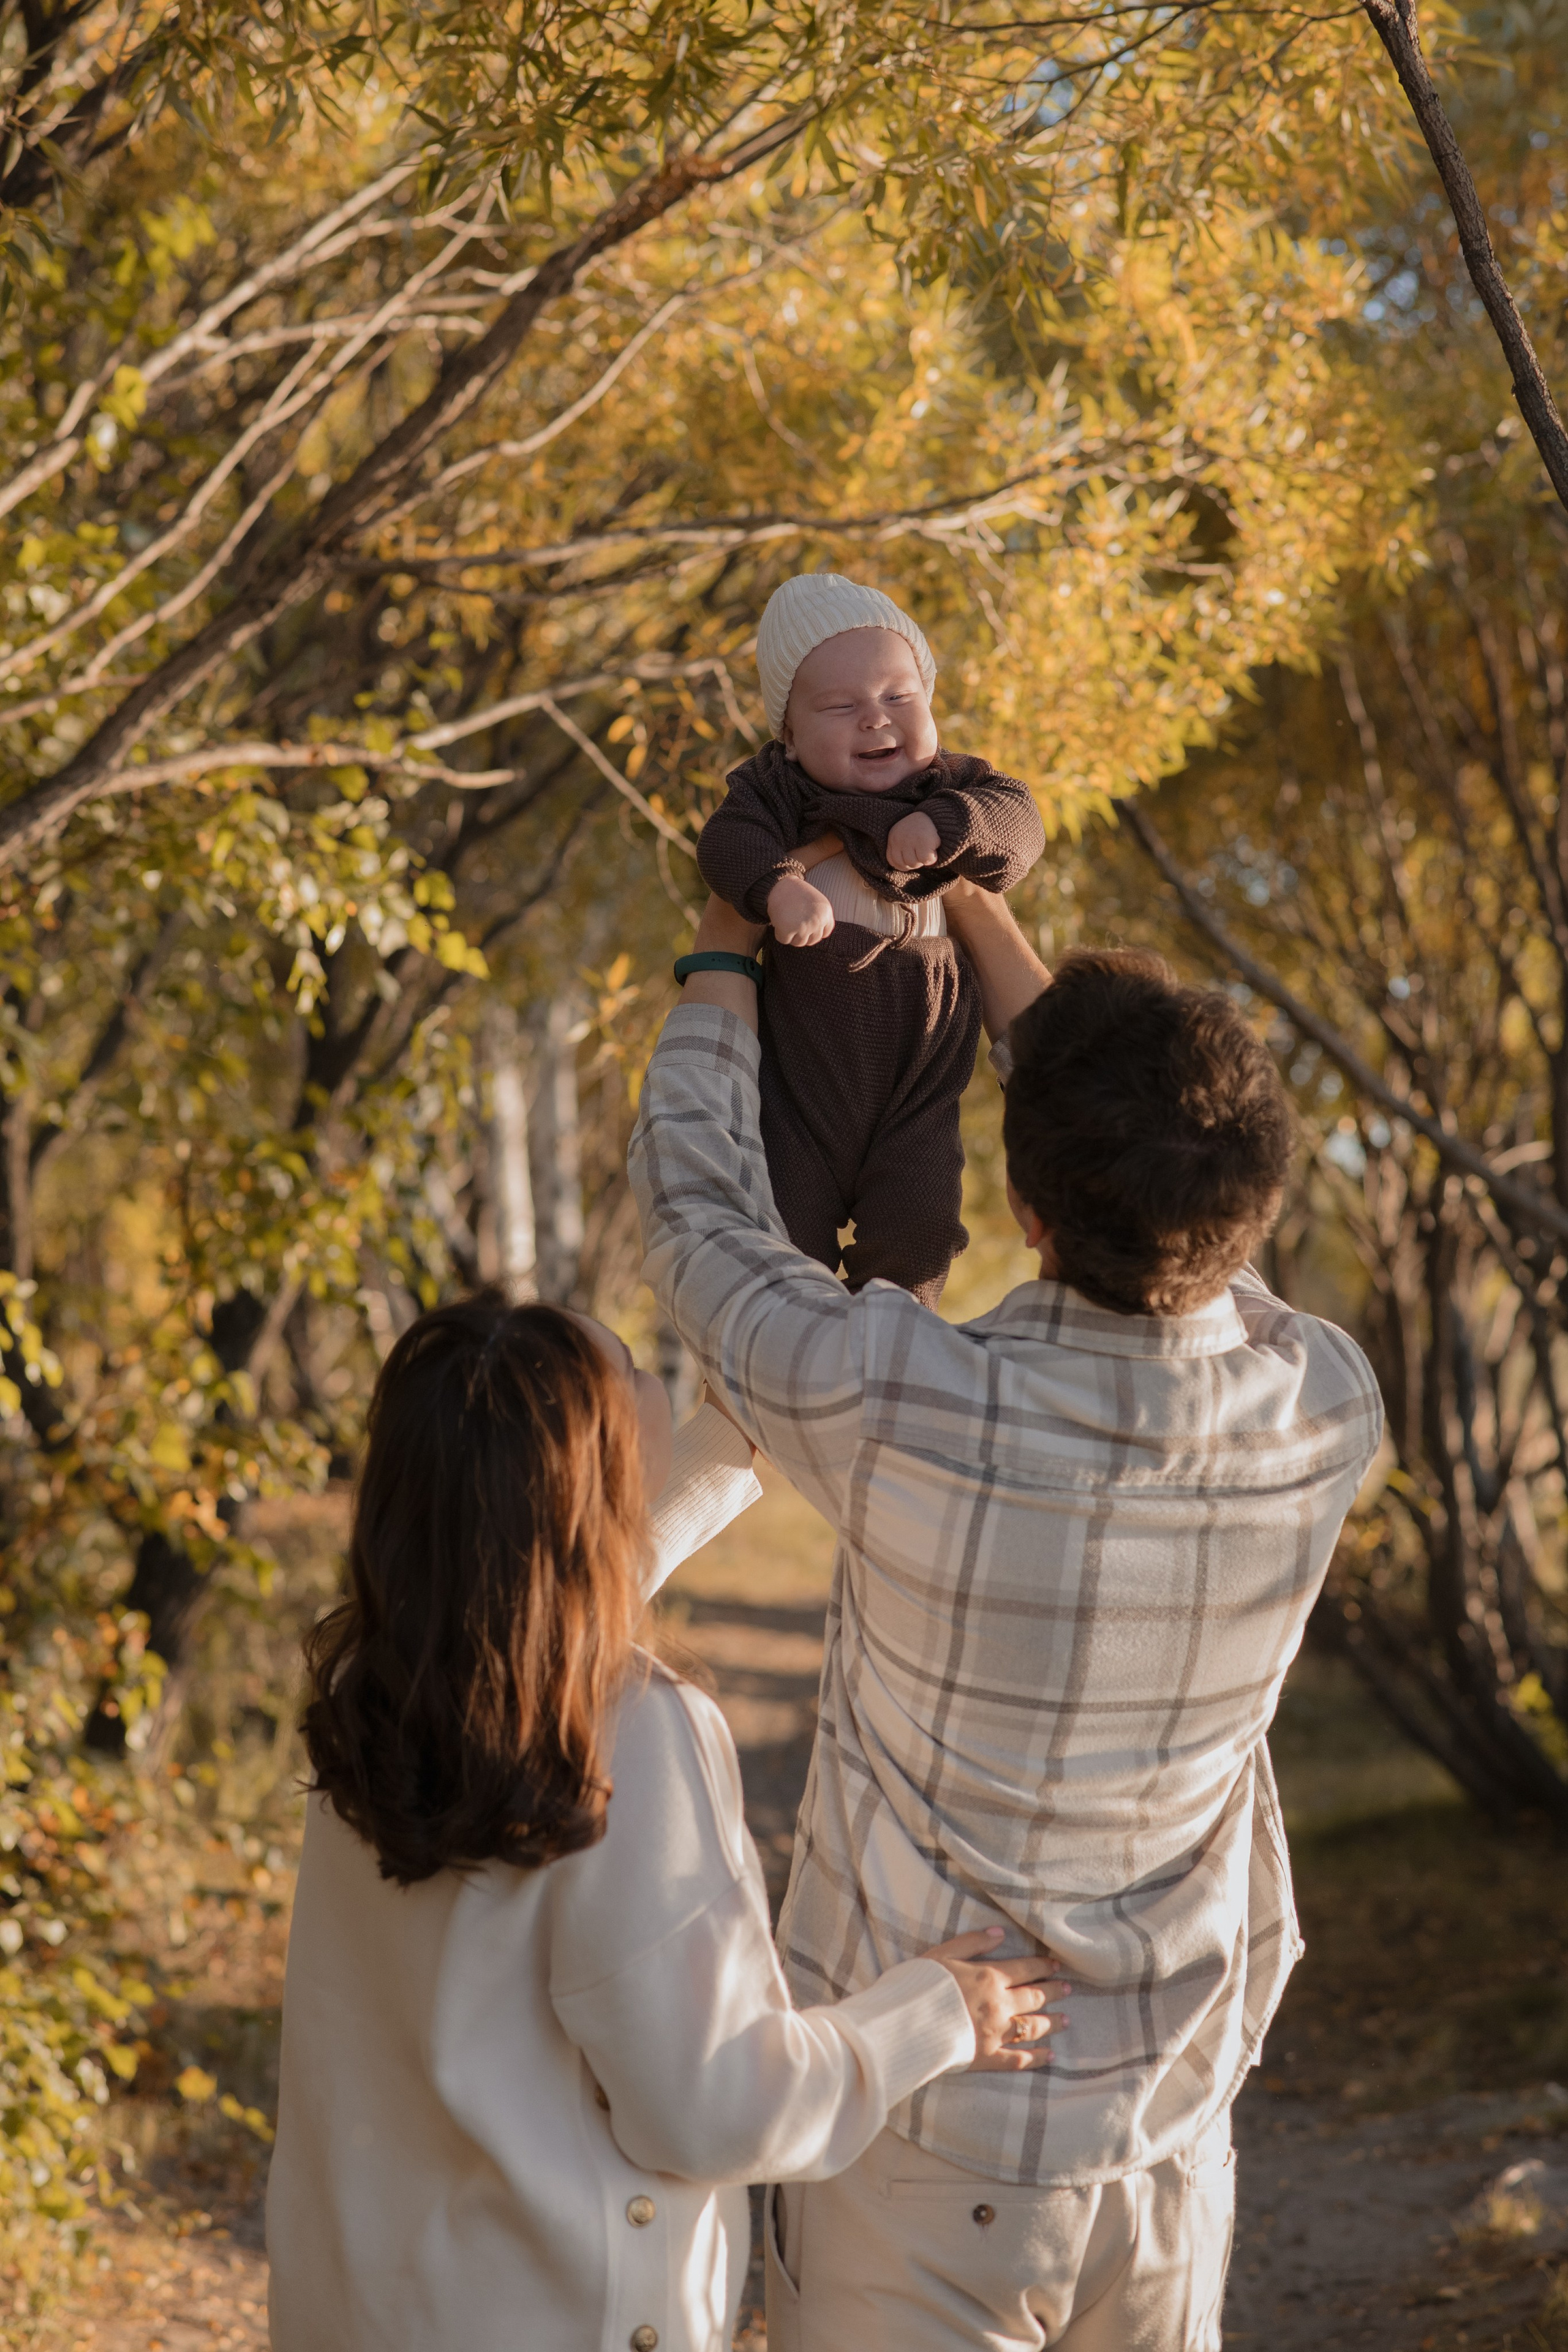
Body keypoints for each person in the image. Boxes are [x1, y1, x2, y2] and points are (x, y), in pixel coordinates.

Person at [628, 887, 1384, 2352]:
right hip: (1166, 2147)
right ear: (1251, 1207)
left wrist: (727, 948)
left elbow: (698, 1215)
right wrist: (980, 914)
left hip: (915, 2143)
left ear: (1024, 1213)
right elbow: (1197, 1217)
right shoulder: (1322, 1407)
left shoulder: (901, 1401)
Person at [265, 1290, 1068, 2352]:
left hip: (369, 2312)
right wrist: (937, 2014)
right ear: (596, 1480)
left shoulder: (388, 1685)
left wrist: (736, 1440)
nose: (655, 1382)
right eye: (634, 1380)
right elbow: (720, 2105)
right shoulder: (631, 1738)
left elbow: (535, 1592)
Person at [694, 572, 1044, 1305]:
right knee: (785, 1230)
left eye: (899, 698)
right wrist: (778, 887)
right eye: (839, 706)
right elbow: (726, 844)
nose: (875, 720)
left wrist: (948, 827)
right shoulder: (776, 792)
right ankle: (795, 1352)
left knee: (919, 1226)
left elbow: (1020, 825)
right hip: (805, 1071)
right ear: (787, 736)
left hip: (921, 1064)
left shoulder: (950, 786)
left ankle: (898, 1345)